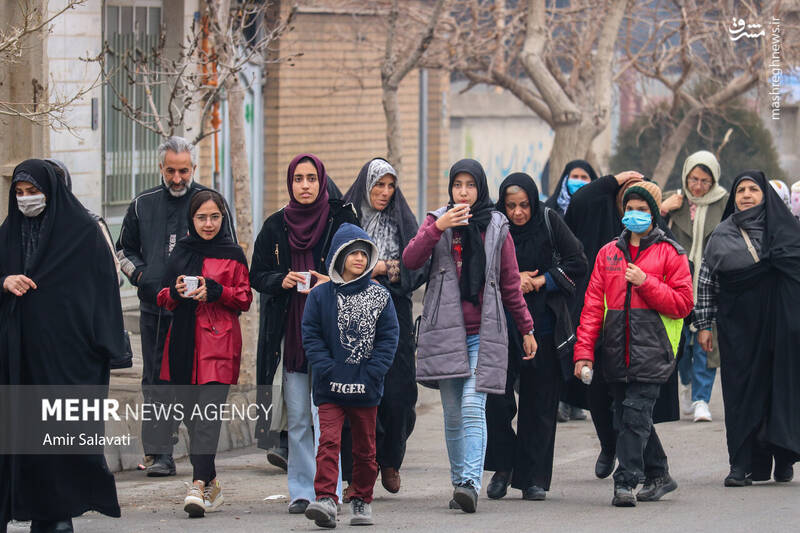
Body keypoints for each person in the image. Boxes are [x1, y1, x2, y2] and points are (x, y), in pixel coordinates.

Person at [403, 158, 536, 514]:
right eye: (457, 185)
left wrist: (526, 327)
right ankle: (461, 482)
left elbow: (510, 283)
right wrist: (437, 227)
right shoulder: (436, 221)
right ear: (450, 188)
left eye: (470, 185)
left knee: (473, 406)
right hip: (444, 332)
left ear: (480, 188)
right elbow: (410, 260)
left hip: (483, 332)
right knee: (452, 415)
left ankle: (472, 484)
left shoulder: (496, 225)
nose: (463, 192)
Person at [1, 160, 125, 532]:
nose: (26, 201)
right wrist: (5, 281)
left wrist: (109, 349)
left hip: (67, 364)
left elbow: (104, 293)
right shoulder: (8, 233)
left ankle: (54, 520)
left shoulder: (83, 233)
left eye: (33, 192)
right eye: (19, 194)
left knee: (56, 449)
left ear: (52, 191)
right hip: (16, 361)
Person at [116, 136, 235, 477]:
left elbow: (228, 250)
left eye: (184, 171)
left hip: (199, 313)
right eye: (171, 171)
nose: (178, 178)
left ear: (193, 168)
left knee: (195, 381)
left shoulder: (211, 203)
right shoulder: (142, 203)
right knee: (155, 381)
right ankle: (159, 454)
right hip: (155, 308)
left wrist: (213, 287)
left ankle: (200, 454)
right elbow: (123, 250)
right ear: (161, 168)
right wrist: (141, 277)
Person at [574, 182, 693, 507]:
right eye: (630, 209)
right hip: (615, 352)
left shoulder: (671, 253)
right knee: (629, 417)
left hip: (653, 352)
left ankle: (624, 483)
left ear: (653, 214)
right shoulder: (608, 253)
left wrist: (647, 282)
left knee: (635, 414)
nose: (635, 215)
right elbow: (592, 307)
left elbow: (683, 303)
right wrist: (583, 353)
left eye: (642, 210)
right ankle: (659, 474)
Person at [250, 153, 358, 514]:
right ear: (290, 183)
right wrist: (282, 279)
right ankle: (301, 490)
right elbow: (256, 275)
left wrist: (332, 281)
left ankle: (329, 490)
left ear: (322, 181)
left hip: (330, 335)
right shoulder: (275, 226)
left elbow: (361, 265)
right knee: (296, 418)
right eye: (299, 179)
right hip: (291, 336)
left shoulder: (341, 218)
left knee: (325, 416)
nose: (306, 186)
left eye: (312, 178)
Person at [693, 170, 800, 487]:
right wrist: (703, 324)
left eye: (754, 189)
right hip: (737, 327)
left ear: (766, 195)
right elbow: (707, 280)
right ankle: (740, 464)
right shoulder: (722, 234)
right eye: (741, 189)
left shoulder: (787, 233)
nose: (747, 194)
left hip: (780, 328)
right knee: (740, 393)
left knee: (777, 390)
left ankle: (782, 459)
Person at [485, 173, 587, 501]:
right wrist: (513, 279)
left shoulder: (548, 221)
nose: (517, 213)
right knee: (495, 402)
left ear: (533, 202)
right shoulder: (494, 228)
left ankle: (533, 477)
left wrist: (541, 280)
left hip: (543, 326)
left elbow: (578, 262)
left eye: (524, 205)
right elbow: (479, 269)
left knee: (539, 404)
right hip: (503, 327)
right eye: (511, 206)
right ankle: (504, 465)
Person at [156, 190, 252, 517]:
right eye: (201, 217)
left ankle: (197, 484)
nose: (208, 224)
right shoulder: (181, 252)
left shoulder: (233, 253)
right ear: (191, 219)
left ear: (223, 218)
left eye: (214, 217)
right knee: (188, 415)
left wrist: (217, 290)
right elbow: (163, 297)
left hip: (219, 343)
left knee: (207, 416)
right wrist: (175, 291)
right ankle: (212, 481)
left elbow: (244, 299)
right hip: (182, 344)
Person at [301, 224, 399, 528]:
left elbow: (389, 337)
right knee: (328, 442)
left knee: (365, 449)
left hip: (366, 388)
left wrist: (373, 373)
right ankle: (327, 499)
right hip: (329, 387)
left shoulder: (380, 296)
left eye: (363, 253)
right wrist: (327, 368)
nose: (358, 258)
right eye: (352, 252)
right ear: (338, 255)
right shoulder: (320, 297)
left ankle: (361, 498)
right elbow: (311, 335)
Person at [341, 158, 426, 496]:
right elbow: (335, 260)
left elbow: (417, 265)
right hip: (352, 316)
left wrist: (381, 268)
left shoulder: (403, 220)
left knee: (398, 396)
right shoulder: (349, 219)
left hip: (395, 315)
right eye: (379, 184)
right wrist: (378, 269)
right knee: (354, 396)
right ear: (366, 185)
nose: (385, 192)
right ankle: (358, 475)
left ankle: (390, 460)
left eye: (391, 185)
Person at [659, 151, 728, 423]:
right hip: (677, 282)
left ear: (714, 180)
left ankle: (702, 399)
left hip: (711, 281)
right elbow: (653, 230)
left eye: (705, 181)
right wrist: (663, 208)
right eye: (693, 179)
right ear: (686, 176)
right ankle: (686, 385)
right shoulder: (674, 199)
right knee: (681, 345)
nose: (698, 186)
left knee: (705, 341)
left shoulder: (723, 202)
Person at [544, 159, 598, 422]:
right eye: (574, 175)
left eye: (585, 177)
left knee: (584, 341)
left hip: (590, 283)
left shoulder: (597, 209)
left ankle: (577, 401)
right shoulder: (551, 211)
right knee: (563, 341)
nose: (579, 180)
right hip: (560, 285)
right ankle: (561, 400)